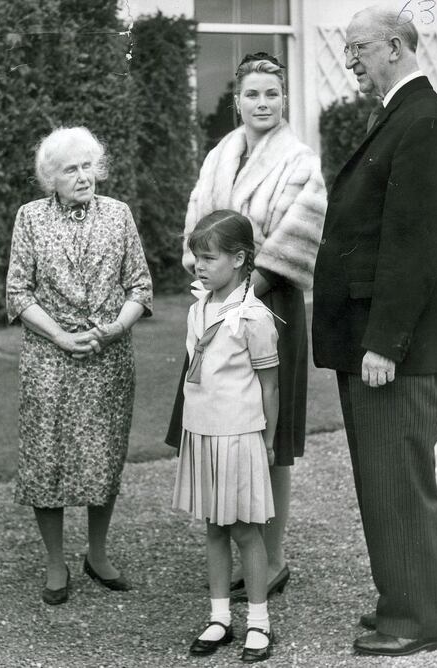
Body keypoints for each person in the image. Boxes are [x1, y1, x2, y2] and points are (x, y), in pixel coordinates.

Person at [312, 5, 437, 657]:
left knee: (397, 482)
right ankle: (399, 602)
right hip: (377, 340)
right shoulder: (402, 116)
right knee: (385, 481)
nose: (350, 61)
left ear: (398, 47)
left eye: (358, 48)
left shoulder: (424, 122)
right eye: (348, 49)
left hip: (392, 349)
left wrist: (384, 342)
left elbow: (415, 244)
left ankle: (418, 621)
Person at [166, 52, 327, 598]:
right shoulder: (219, 155)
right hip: (217, 304)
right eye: (253, 94)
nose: (263, 103)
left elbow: (294, 238)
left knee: (266, 431)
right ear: (236, 100)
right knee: (219, 418)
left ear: (285, 99)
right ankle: (227, 538)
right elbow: (198, 226)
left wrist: (240, 296)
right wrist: (207, 280)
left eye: (272, 94)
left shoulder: (300, 160)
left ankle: (272, 558)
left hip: (269, 306)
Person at [5, 126, 153, 605]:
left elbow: (140, 287)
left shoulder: (118, 215)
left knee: (104, 456)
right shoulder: (29, 219)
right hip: (50, 357)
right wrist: (61, 336)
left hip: (108, 356)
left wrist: (113, 329)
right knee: (47, 460)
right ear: (51, 177)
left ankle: (98, 553)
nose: (83, 176)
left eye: (88, 165)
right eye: (71, 168)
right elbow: (17, 293)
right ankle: (54, 562)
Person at [173, 210, 279, 663]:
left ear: (239, 259)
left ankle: (259, 622)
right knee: (214, 528)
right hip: (203, 432)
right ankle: (220, 617)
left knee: (246, 532)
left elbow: (269, 385)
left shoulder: (254, 317)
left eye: (209, 257)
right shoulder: (199, 307)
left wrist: (269, 441)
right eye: (197, 257)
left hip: (238, 435)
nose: (199, 265)